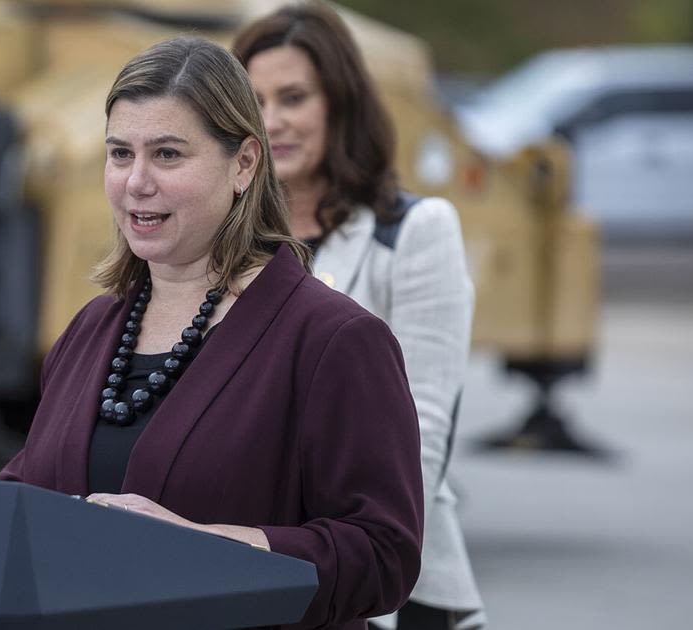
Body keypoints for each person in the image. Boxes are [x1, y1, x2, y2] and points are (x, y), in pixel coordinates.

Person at [0, 37, 423, 629]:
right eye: (120, 154)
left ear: (245, 164)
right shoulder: (89, 330)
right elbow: (46, 510)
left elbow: (384, 557)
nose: (136, 182)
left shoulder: (334, 341)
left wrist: (204, 544)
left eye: (169, 155)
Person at [233, 5, 485, 630]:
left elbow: (422, 432)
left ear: (341, 103)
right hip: (252, 568)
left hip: (391, 587)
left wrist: (363, 584)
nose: (272, 121)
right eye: (255, 101)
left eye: (294, 97)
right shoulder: (225, 243)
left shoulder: (415, 232)